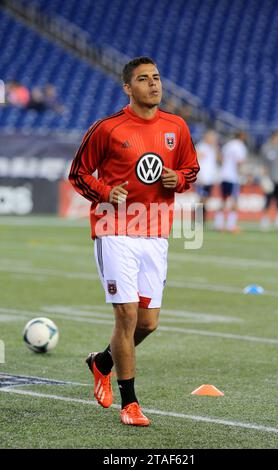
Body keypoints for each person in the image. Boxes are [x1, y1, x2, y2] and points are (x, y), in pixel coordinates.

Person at [68, 57, 199, 426]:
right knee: (126, 315)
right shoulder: (107, 129)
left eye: (156, 77)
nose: (153, 84)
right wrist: (106, 192)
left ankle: (102, 362)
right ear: (128, 88)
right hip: (115, 230)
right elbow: (77, 174)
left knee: (147, 323)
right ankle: (130, 404)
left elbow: (191, 168)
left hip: (155, 231)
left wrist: (180, 178)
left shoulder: (177, 126)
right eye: (143, 79)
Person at [214, 130, 247, 232]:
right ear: (242, 136)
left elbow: (220, 158)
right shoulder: (240, 146)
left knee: (223, 201)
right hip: (233, 177)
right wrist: (242, 175)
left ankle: (218, 224)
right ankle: (231, 225)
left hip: (224, 175)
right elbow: (239, 162)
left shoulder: (228, 145)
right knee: (234, 201)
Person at [260, 130, 278, 230]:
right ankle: (265, 220)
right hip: (269, 179)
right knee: (268, 200)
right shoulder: (266, 148)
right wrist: (264, 178)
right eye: (277, 137)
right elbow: (263, 164)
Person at [194, 130, 219, 222]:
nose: (213, 139)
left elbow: (217, 160)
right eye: (211, 137)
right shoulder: (201, 147)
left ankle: (202, 219)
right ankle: (198, 219)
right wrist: (199, 176)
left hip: (210, 178)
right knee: (201, 198)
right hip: (202, 178)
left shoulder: (212, 148)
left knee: (206, 199)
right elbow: (196, 162)